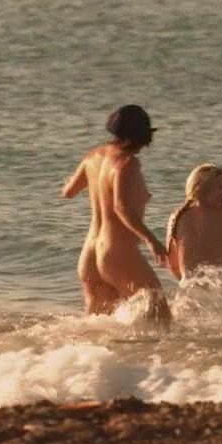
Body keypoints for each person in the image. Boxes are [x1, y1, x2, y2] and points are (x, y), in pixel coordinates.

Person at [62, 105, 171, 325]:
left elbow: (68, 192)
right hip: (116, 252)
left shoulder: (93, 156)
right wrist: (151, 241)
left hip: (90, 253)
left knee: (98, 326)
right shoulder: (126, 163)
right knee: (159, 313)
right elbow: (121, 208)